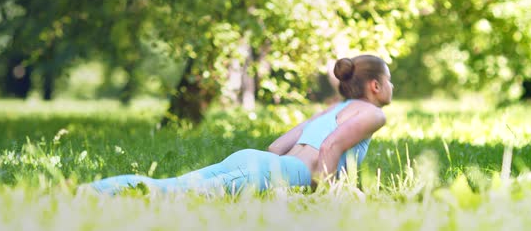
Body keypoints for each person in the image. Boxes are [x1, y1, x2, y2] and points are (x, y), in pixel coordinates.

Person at [82, 54, 393, 196]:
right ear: (375, 86)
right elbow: (331, 146)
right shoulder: (372, 113)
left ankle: (89, 190)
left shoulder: (334, 109)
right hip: (276, 173)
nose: (392, 86)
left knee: (171, 185)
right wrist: (328, 191)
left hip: (261, 161)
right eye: (389, 80)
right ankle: (87, 194)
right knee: (171, 193)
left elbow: (276, 147)